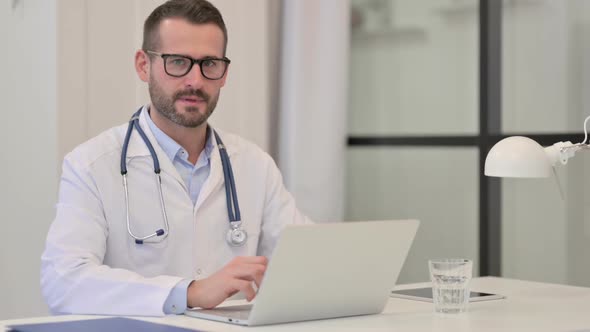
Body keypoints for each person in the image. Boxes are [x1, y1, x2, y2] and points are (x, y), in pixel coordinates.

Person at [41, 0, 310, 317]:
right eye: (178, 62)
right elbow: (64, 281)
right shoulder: (91, 165)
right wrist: (189, 292)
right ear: (144, 65)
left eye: (209, 63)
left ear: (224, 73)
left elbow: (306, 262)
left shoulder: (254, 165)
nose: (195, 81)